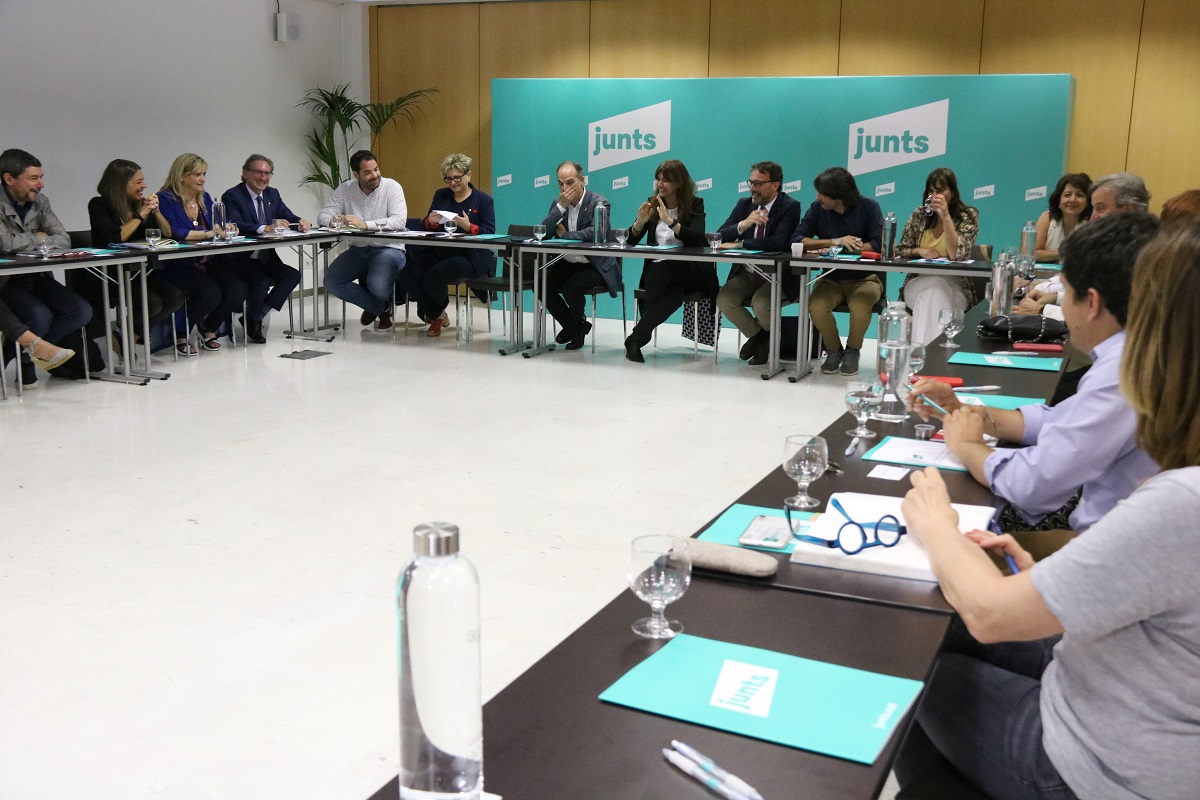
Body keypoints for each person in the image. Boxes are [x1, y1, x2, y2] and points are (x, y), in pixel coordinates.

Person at [894, 221, 1200, 800]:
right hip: (1119, 677)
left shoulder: (1181, 500)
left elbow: (990, 612)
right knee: (941, 623)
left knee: (911, 648)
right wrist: (1048, 577)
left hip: (1095, 762)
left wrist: (938, 527)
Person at [908, 211, 1161, 545]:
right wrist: (969, 412)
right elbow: (1062, 421)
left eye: (1066, 293)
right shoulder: (1140, 349)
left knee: (937, 541)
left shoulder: (1123, 371)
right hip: (1116, 533)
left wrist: (967, 446)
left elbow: (1032, 484)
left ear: (1092, 303)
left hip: (1109, 546)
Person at [0, 148, 91, 386]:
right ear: (9, 179)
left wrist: (33, 239)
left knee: (80, 311)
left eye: (41, 177)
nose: (41, 185)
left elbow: (63, 239)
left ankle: (25, 357)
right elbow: (5, 243)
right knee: (38, 316)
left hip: (36, 276)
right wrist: (38, 237)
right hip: (6, 281)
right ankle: (28, 359)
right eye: (33, 178)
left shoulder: (41, 202)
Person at [793, 167, 884, 375]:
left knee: (860, 305)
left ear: (837, 195)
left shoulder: (870, 207)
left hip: (865, 279)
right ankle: (834, 350)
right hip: (830, 278)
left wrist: (846, 247)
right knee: (816, 305)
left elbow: (879, 245)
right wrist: (836, 241)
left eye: (822, 193)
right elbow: (797, 239)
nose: (817, 197)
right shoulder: (817, 209)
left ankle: (853, 351)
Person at [88, 158, 186, 354]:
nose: (145, 186)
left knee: (175, 297)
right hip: (110, 275)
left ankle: (128, 335)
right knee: (152, 302)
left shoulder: (138, 205)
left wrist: (156, 211)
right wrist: (141, 214)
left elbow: (165, 234)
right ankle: (129, 337)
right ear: (121, 184)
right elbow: (115, 237)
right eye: (139, 182)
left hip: (139, 272)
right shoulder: (99, 205)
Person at [157, 153, 247, 355]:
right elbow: (174, 232)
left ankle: (209, 327)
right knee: (209, 293)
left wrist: (227, 227)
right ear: (181, 176)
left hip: (206, 262)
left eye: (204, 174)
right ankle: (181, 334)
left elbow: (216, 225)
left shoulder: (204, 198)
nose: (202, 179)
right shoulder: (166, 199)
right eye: (197, 174)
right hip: (178, 265)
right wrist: (206, 234)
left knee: (238, 288)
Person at [714, 161, 802, 365]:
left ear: (775, 185)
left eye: (758, 183)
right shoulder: (744, 205)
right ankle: (762, 340)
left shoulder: (790, 206)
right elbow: (720, 235)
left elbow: (780, 242)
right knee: (725, 299)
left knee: (761, 304)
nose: (752, 188)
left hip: (776, 275)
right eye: (751, 182)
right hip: (747, 273)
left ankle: (763, 345)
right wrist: (743, 224)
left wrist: (741, 244)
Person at [621, 159, 709, 363]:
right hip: (660, 274)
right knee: (674, 295)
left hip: (689, 271)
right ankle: (636, 338)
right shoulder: (652, 204)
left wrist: (671, 223)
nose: (660, 184)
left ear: (678, 183)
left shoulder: (694, 204)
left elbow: (698, 238)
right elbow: (630, 240)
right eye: (658, 179)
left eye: (666, 180)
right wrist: (639, 223)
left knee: (666, 265)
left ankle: (641, 330)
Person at [400, 153, 495, 337]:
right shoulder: (441, 195)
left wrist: (469, 226)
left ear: (468, 175)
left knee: (433, 276)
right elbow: (427, 224)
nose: (453, 183)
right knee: (407, 274)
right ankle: (438, 313)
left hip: (468, 256)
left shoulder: (483, 200)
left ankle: (433, 314)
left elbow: (490, 232)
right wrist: (431, 222)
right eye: (449, 179)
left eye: (457, 178)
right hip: (439, 251)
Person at [318, 149, 408, 331]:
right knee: (331, 281)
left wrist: (366, 225)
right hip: (358, 249)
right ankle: (380, 308)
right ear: (356, 175)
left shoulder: (392, 187)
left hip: (389, 248)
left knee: (377, 285)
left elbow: (399, 221)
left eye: (376, 169)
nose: (375, 175)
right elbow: (323, 215)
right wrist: (334, 220)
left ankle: (375, 304)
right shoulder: (346, 189)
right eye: (368, 172)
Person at [220, 154, 306, 343]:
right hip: (240, 258)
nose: (263, 178)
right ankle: (255, 321)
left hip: (265, 257)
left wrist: (300, 222)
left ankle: (255, 316)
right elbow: (235, 224)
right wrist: (263, 228)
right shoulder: (233, 196)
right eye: (258, 172)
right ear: (245, 173)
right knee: (260, 281)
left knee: (293, 275)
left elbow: (288, 216)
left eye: (267, 173)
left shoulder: (272, 194)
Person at [539, 161, 621, 350]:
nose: (565, 188)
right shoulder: (559, 203)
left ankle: (573, 327)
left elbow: (595, 233)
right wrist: (560, 207)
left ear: (582, 180)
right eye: (560, 184)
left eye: (570, 182)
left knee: (572, 288)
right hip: (567, 261)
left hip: (594, 264)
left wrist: (566, 235)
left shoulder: (599, 203)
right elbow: (544, 232)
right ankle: (575, 327)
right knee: (541, 283)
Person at [897, 167, 980, 345]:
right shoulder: (919, 215)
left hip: (956, 286)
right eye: (931, 191)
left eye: (941, 191)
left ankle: (918, 351)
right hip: (918, 282)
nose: (935, 196)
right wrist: (918, 251)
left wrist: (946, 216)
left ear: (953, 193)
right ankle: (935, 356)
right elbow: (900, 250)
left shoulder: (968, 215)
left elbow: (956, 254)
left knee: (934, 295)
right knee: (935, 286)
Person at [1033, 172, 1090, 262]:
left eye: (1079, 195)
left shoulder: (1092, 223)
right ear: (1058, 200)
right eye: (1067, 195)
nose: (1072, 200)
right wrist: (1066, 253)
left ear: (1087, 201)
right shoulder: (1047, 218)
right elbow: (1032, 254)